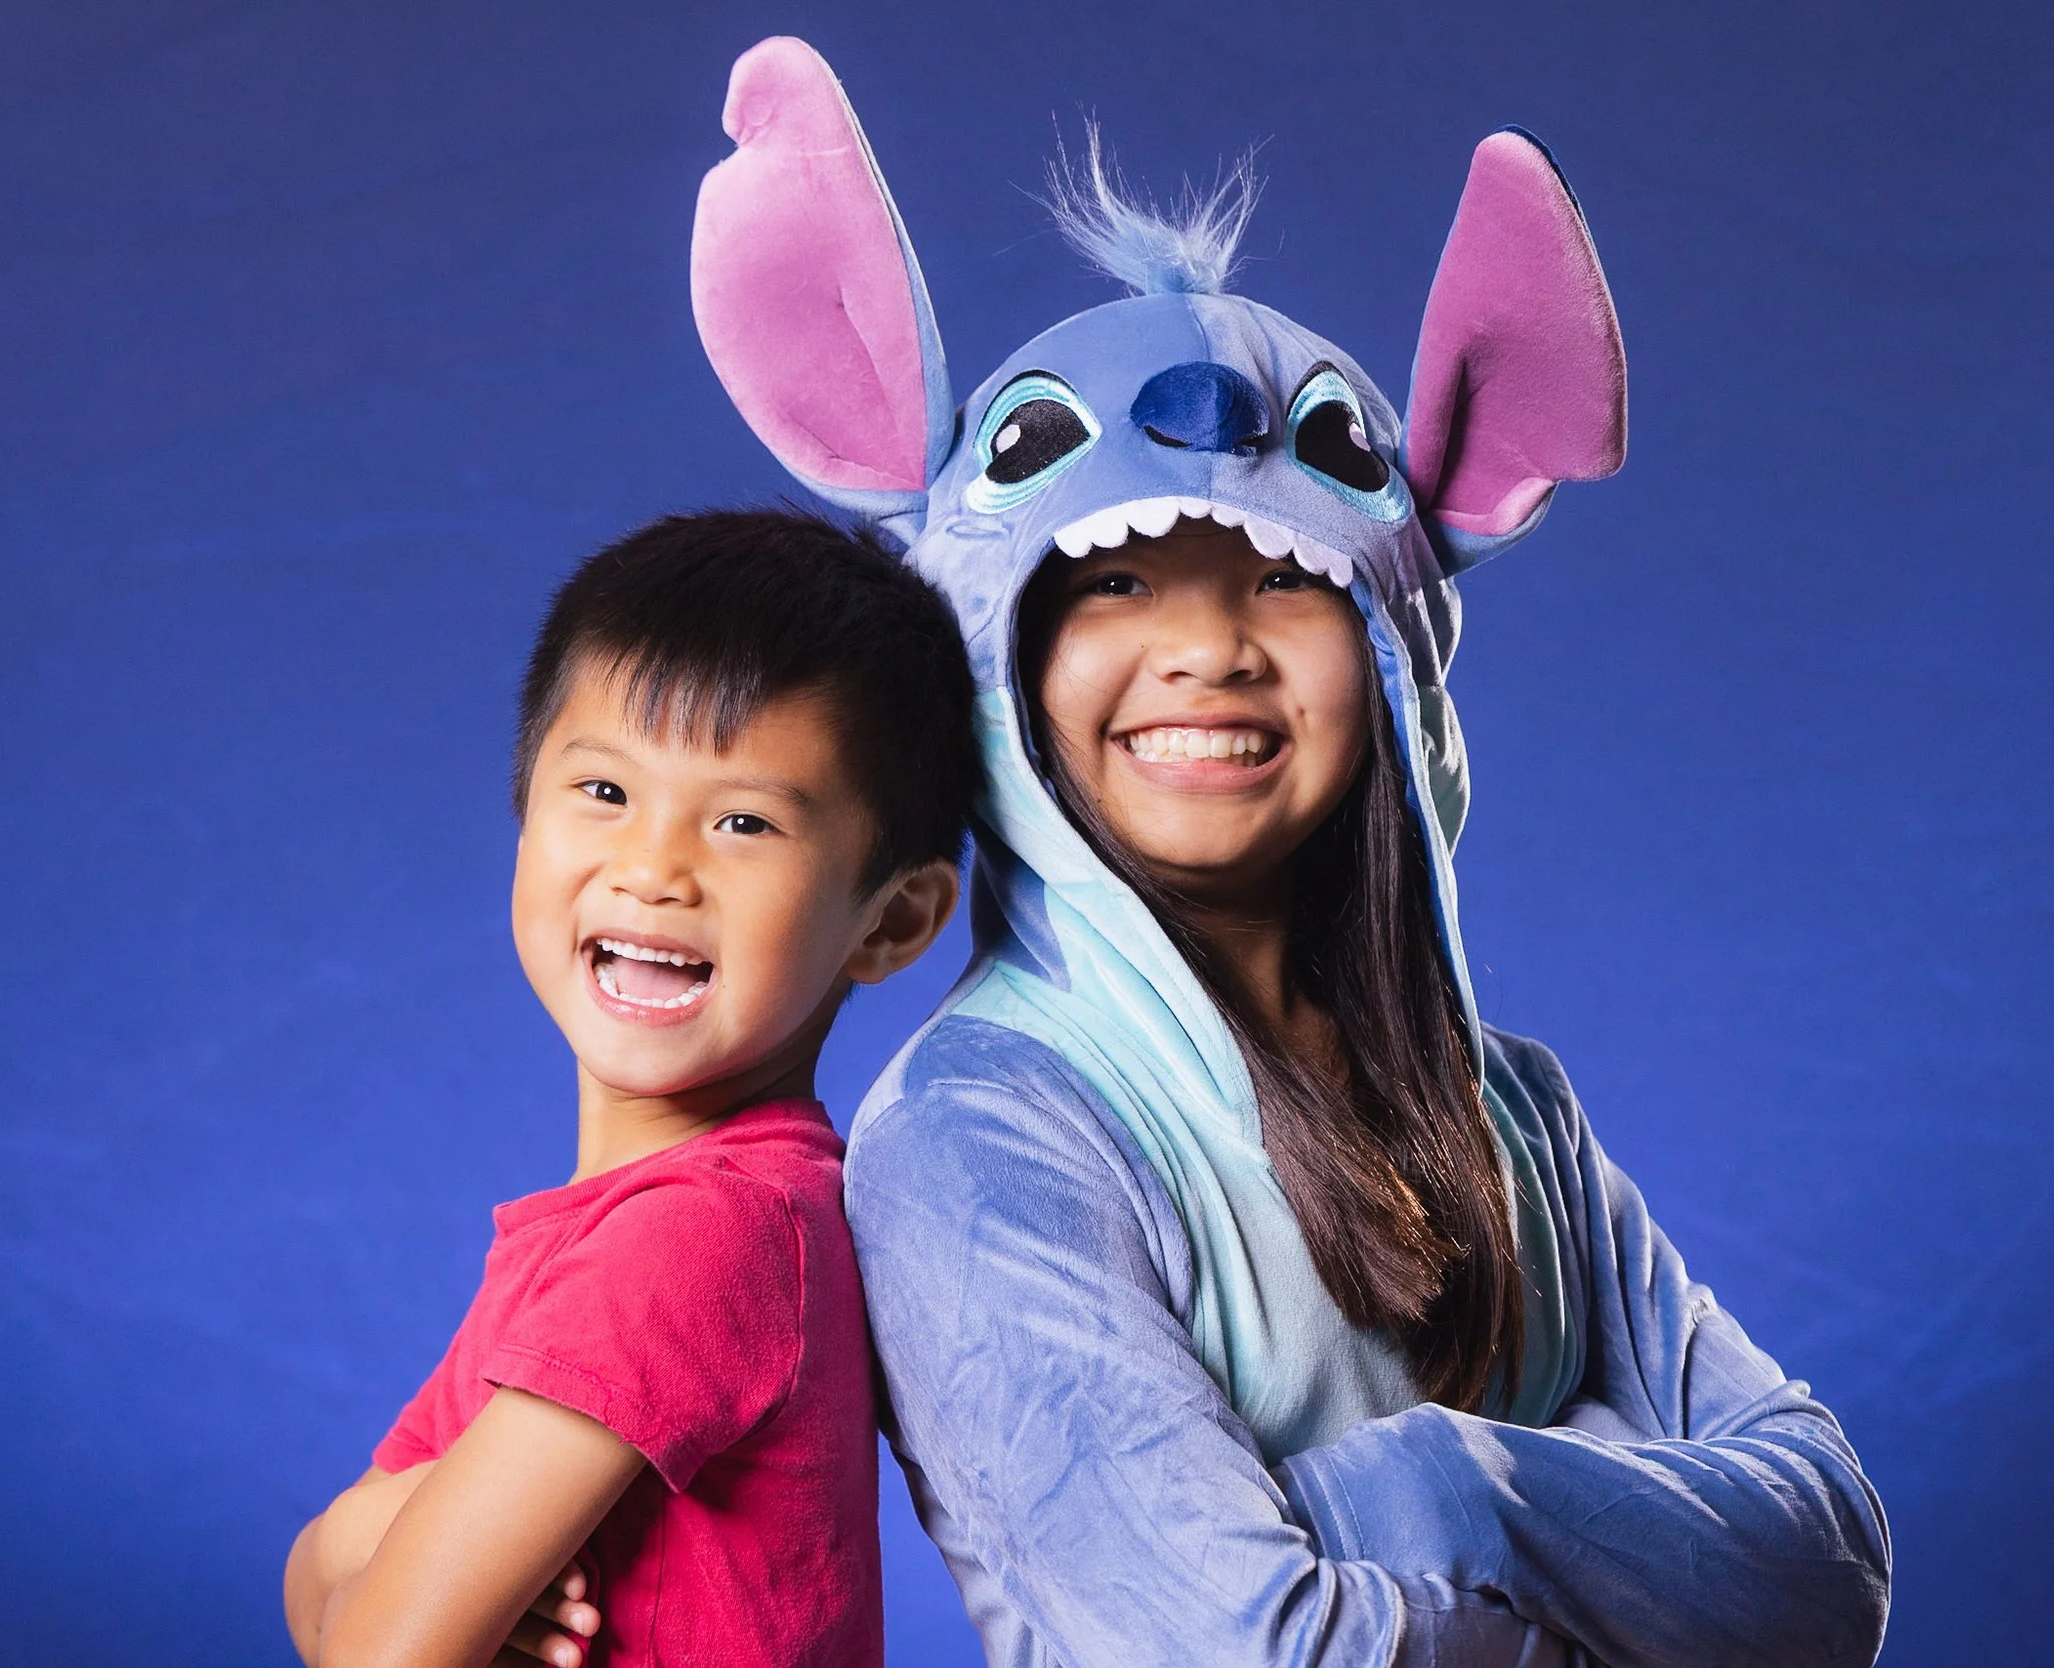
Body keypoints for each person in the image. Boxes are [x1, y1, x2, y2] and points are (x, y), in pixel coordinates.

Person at [685, 36, 1893, 1667]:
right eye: (1110, 584)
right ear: (994, 664)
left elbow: (1824, 1564)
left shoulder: (1511, 1110)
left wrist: (1437, 1491)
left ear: (1390, 650)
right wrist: (1625, 1545)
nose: (1207, 652)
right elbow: (1239, 1649)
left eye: (1280, 582)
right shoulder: (982, 1140)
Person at [280, 509, 982, 1668]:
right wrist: (372, 1547)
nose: (654, 868)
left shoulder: (705, 1234)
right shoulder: (615, 1232)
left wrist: (382, 1556)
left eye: (745, 821)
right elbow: (317, 1587)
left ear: (891, 919)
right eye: (603, 792)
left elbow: (364, 1645)